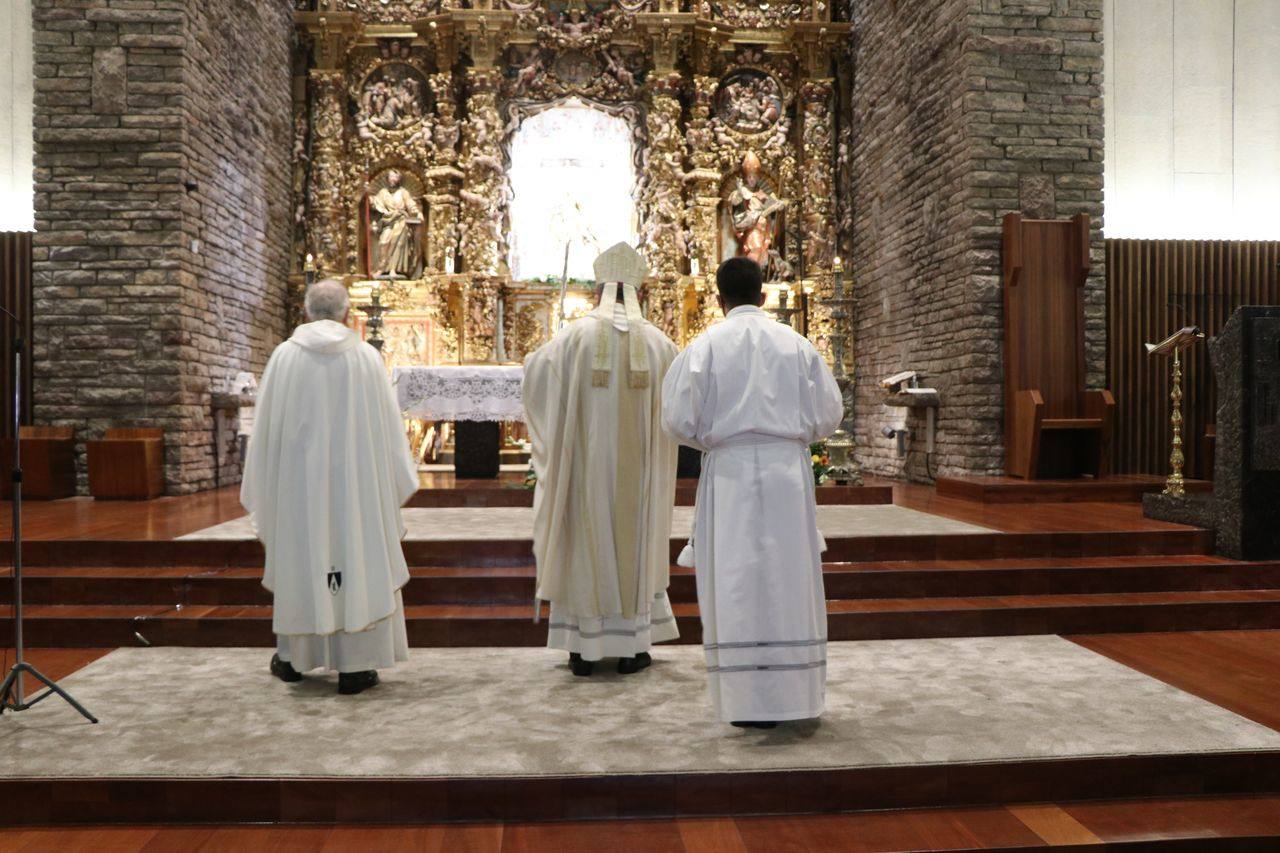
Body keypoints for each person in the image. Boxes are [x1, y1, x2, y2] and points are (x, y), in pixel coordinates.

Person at [661, 257, 842, 728]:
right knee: (789, 576)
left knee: (735, 578)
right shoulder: (797, 345)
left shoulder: (704, 347)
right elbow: (829, 414)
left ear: (719, 300)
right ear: (764, 297)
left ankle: (745, 702)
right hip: (785, 472)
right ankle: (794, 698)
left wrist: (714, 438)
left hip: (730, 474)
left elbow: (677, 420)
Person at [241, 278, 418, 695]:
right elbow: (389, 436)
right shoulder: (365, 358)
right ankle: (355, 666)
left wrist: (267, 484)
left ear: (305, 310)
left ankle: (293, 660)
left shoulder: (284, 357)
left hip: (299, 490)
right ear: (346, 313)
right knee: (355, 554)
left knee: (304, 557)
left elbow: (265, 434)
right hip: (355, 490)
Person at [523, 243, 680, 676]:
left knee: (586, 537)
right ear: (637, 292)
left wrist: (538, 360)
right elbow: (679, 409)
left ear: (599, 291)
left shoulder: (572, 337)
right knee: (635, 536)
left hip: (584, 470)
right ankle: (632, 648)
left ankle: (582, 649)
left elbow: (536, 378)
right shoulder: (660, 343)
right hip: (640, 476)